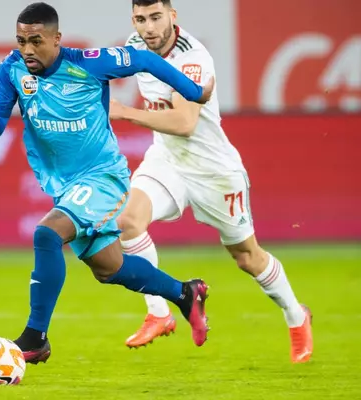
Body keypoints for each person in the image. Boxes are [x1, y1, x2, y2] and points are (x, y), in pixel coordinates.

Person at [0, 2, 215, 364]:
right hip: (65, 186)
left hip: (102, 177)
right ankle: (185, 294)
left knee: (47, 234)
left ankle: (35, 338)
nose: (27, 49)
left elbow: (142, 59)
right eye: (21, 41)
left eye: (36, 41)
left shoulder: (88, 63)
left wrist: (194, 92)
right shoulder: (12, 69)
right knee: (109, 268)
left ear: (56, 38)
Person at [110, 0, 313, 363]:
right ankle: (159, 313)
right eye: (141, 19)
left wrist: (124, 111)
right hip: (167, 161)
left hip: (213, 170)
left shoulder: (194, 58)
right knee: (127, 221)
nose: (149, 27)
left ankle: (296, 316)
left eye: (156, 17)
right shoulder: (135, 44)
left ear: (172, 16)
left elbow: (185, 123)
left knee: (247, 258)